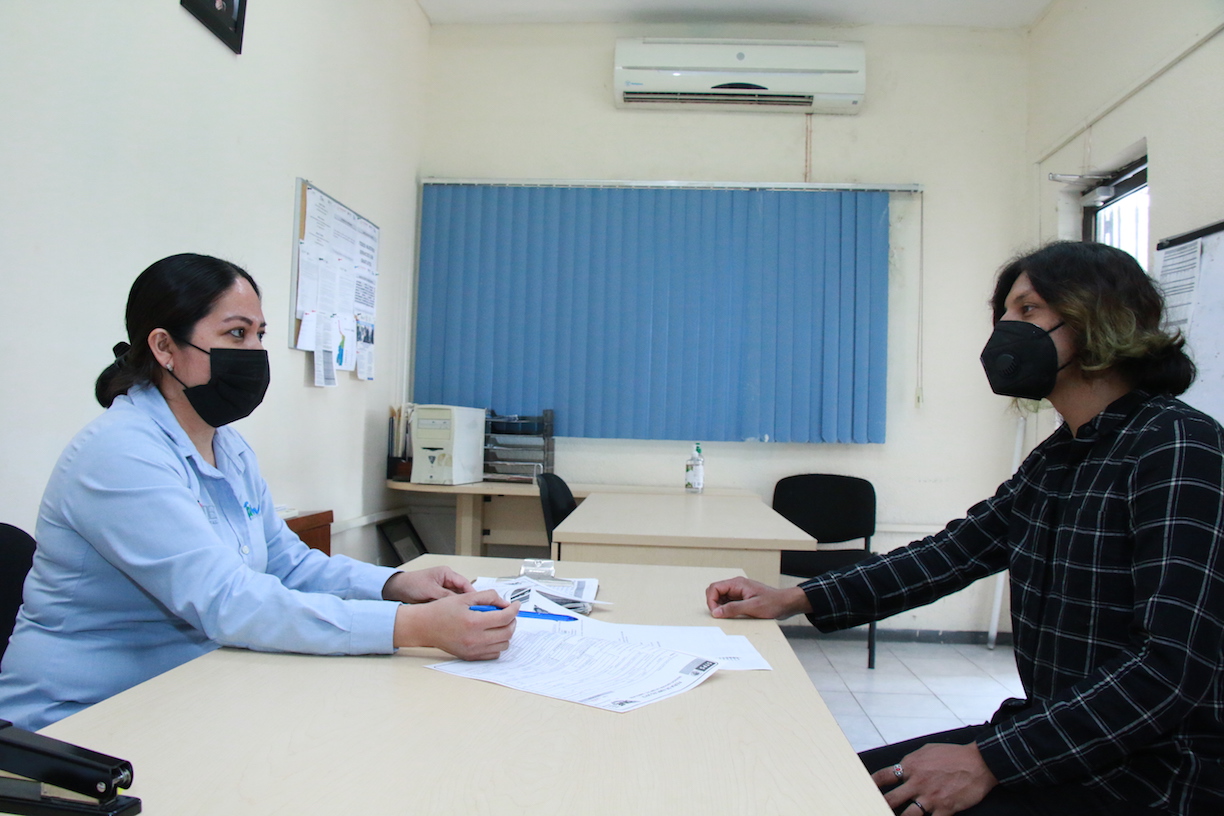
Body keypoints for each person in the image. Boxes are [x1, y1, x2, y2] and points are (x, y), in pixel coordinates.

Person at [706, 241, 1224, 816]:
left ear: (1097, 317)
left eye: (1027, 309)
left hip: (1151, 778)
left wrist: (989, 760)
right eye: (1003, 314)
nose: (1005, 329)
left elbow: (1170, 666)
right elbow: (952, 553)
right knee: (822, 789)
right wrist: (794, 597)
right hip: (1058, 744)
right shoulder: (1060, 456)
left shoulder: (1177, 446)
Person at [0, 253, 519, 731]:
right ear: (164, 347)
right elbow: (226, 601)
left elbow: (286, 563)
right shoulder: (120, 454)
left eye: (259, 335)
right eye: (236, 334)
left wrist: (395, 585)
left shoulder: (225, 444)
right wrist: (414, 626)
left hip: (188, 691)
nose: (254, 353)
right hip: (80, 719)